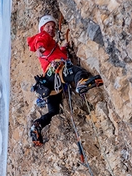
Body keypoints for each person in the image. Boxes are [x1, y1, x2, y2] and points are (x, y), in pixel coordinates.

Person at [27, 15, 103, 146]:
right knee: (78, 72)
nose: (51, 29)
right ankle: (81, 83)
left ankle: (37, 125)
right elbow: (41, 41)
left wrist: (62, 48)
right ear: (42, 28)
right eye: (48, 26)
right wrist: (39, 47)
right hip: (57, 70)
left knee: (53, 112)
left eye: (53, 26)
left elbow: (54, 52)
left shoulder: (50, 43)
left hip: (49, 84)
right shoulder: (43, 37)